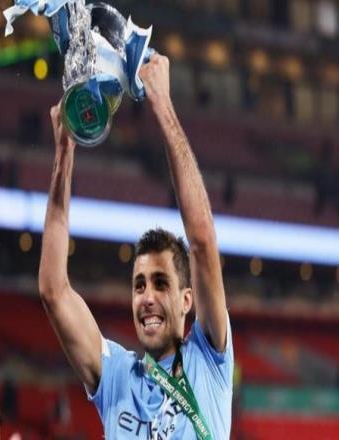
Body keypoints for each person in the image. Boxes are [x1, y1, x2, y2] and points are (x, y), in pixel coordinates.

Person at [39, 54, 233, 439]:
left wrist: (162, 105)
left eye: (161, 283)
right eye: (139, 285)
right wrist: (64, 153)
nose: (147, 297)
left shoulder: (209, 359)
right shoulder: (115, 376)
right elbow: (53, 290)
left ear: (187, 300)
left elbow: (201, 240)